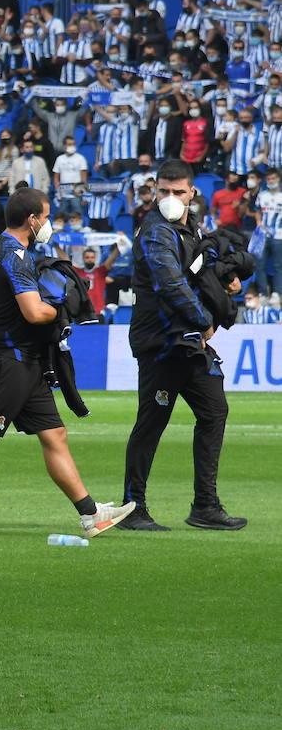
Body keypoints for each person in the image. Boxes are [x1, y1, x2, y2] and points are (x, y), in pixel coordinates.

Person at [0, 187, 137, 540]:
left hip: (25, 361)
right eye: (47, 215)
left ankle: (90, 515)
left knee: (55, 434)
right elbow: (33, 311)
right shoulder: (15, 255)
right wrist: (62, 309)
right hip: (7, 361)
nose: (49, 223)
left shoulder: (8, 248)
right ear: (32, 219)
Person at [121, 160, 247, 532]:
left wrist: (225, 286)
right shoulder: (156, 231)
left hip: (185, 341)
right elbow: (170, 284)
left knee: (214, 411)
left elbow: (198, 278)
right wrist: (205, 319)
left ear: (192, 193)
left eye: (178, 192)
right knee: (152, 422)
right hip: (162, 341)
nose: (170, 198)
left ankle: (205, 505)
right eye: (164, 191)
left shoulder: (189, 230)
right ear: (153, 190)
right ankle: (133, 507)